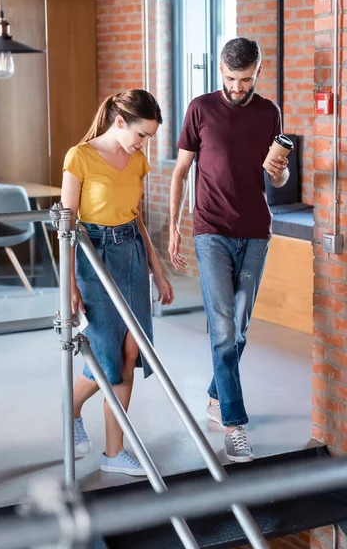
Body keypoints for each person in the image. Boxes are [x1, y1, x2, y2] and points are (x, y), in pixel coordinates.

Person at [168, 37, 289, 463]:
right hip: (211, 231)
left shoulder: (269, 112)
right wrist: (175, 226)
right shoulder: (200, 109)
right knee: (222, 326)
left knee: (238, 328)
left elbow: (274, 180)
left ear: (259, 70)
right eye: (231, 79)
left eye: (246, 79)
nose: (238, 87)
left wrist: (279, 171)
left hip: (256, 231)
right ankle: (235, 424)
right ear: (220, 70)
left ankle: (216, 395)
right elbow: (182, 172)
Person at [61, 89, 174, 477]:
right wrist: (69, 285)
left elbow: (136, 218)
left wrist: (157, 270)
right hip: (95, 259)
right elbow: (67, 227)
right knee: (107, 356)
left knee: (130, 352)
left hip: (132, 255)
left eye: (149, 138)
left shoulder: (137, 160)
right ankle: (71, 408)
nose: (143, 144)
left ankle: (114, 452)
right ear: (120, 122)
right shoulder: (80, 157)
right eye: (141, 135)